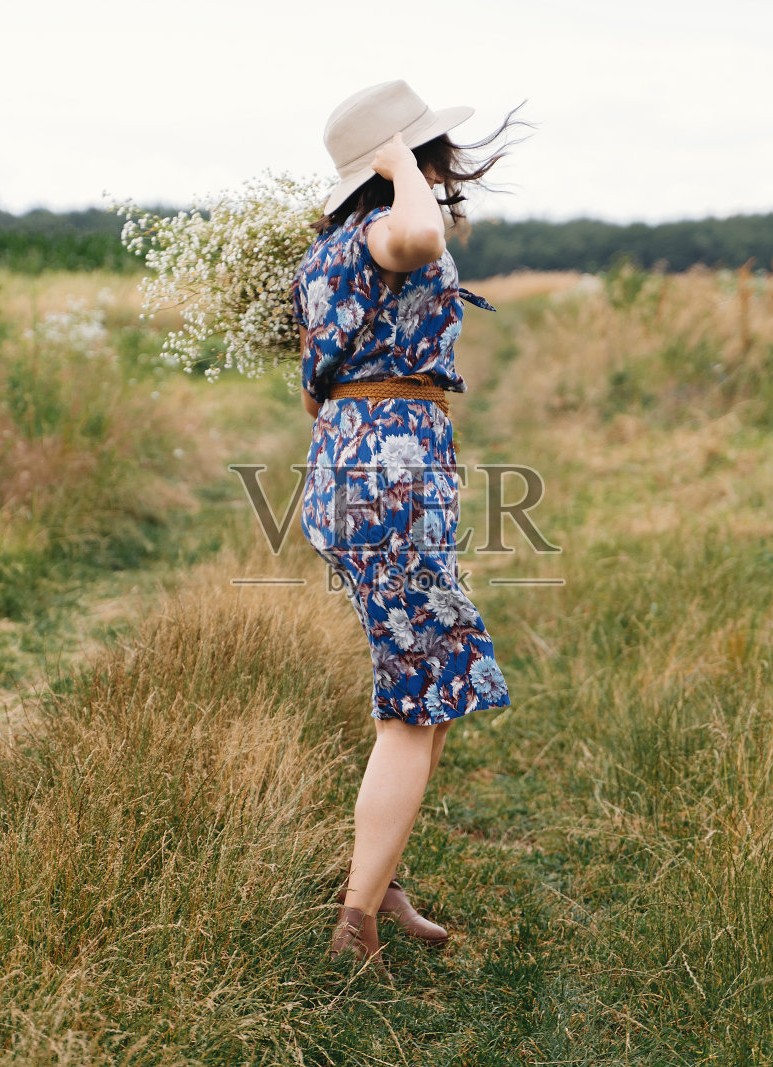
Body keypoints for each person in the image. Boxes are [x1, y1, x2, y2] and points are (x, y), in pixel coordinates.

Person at [291, 80, 528, 970]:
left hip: (362, 474)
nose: (440, 168)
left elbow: (315, 384)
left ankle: (376, 873)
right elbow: (424, 233)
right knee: (416, 697)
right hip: (388, 487)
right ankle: (354, 923)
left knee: (425, 684)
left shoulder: (327, 254)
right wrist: (395, 164)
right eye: (425, 153)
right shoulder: (391, 230)